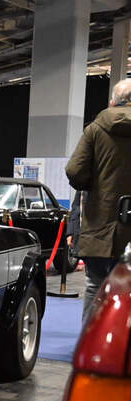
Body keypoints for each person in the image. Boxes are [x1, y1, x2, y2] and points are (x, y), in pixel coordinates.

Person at [65, 78, 131, 318]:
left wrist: (95, 186)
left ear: (113, 102)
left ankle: (91, 337)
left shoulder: (95, 128)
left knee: (95, 286)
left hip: (100, 227)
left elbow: (74, 171)